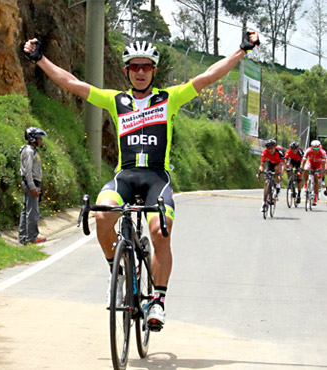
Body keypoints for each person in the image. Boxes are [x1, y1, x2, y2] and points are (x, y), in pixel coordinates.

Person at [24, 31, 260, 329]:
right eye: (134, 67)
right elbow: (73, 84)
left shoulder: (169, 98)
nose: (139, 72)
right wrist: (41, 59)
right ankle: (119, 271)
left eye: (145, 66)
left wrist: (242, 51)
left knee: (160, 230)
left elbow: (209, 76)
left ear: (154, 70)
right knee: (101, 215)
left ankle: (158, 302)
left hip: (156, 179)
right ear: (126, 71)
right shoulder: (115, 100)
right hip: (124, 177)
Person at [18, 127, 47, 244]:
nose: (41, 140)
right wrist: (33, 187)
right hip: (31, 183)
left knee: (27, 210)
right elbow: (28, 172)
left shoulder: (32, 151)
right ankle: (31, 238)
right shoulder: (29, 152)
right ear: (33, 138)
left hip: (33, 183)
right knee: (32, 211)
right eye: (39, 138)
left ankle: (24, 237)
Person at [257, 139, 285, 211]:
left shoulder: (280, 152)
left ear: (275, 147)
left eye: (271, 148)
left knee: (276, 169)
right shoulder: (265, 152)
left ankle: (278, 185)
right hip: (270, 163)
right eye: (268, 148)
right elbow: (262, 164)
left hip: (278, 164)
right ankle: (264, 202)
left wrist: (281, 174)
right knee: (266, 182)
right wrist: (259, 172)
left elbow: (283, 165)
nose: (270, 150)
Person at [300, 140, 326, 206]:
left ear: (320, 147)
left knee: (316, 178)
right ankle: (306, 184)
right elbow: (303, 161)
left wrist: (323, 172)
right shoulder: (308, 150)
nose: (316, 150)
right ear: (311, 147)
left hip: (318, 164)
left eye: (317, 148)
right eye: (314, 148)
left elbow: (323, 164)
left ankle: (315, 197)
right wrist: (301, 168)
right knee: (306, 170)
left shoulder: (323, 153)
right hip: (310, 163)